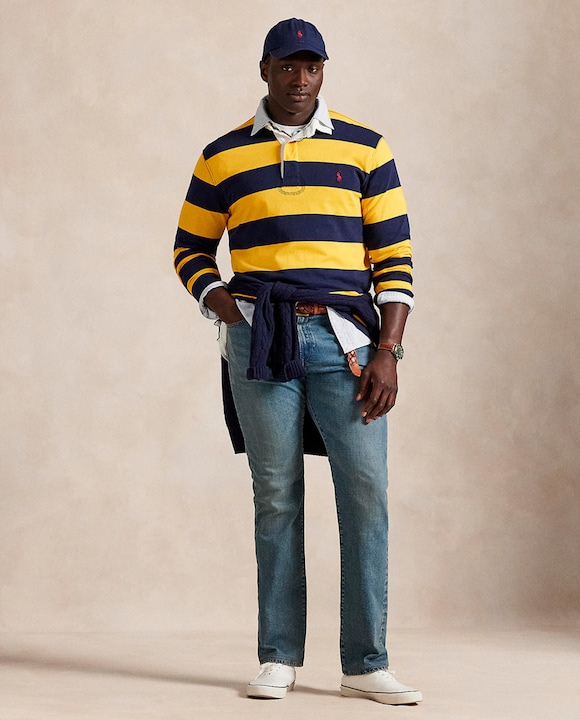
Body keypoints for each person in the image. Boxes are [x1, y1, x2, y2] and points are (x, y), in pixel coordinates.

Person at [174, 18, 422, 706]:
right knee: (277, 494)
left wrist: (388, 350)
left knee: (365, 493)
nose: (300, 79)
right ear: (265, 70)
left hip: (348, 342)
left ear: (323, 72)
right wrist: (228, 311)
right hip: (262, 338)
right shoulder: (223, 155)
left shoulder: (366, 147)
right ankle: (278, 655)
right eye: (287, 66)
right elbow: (189, 249)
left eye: (312, 67)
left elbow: (395, 257)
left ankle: (365, 662)